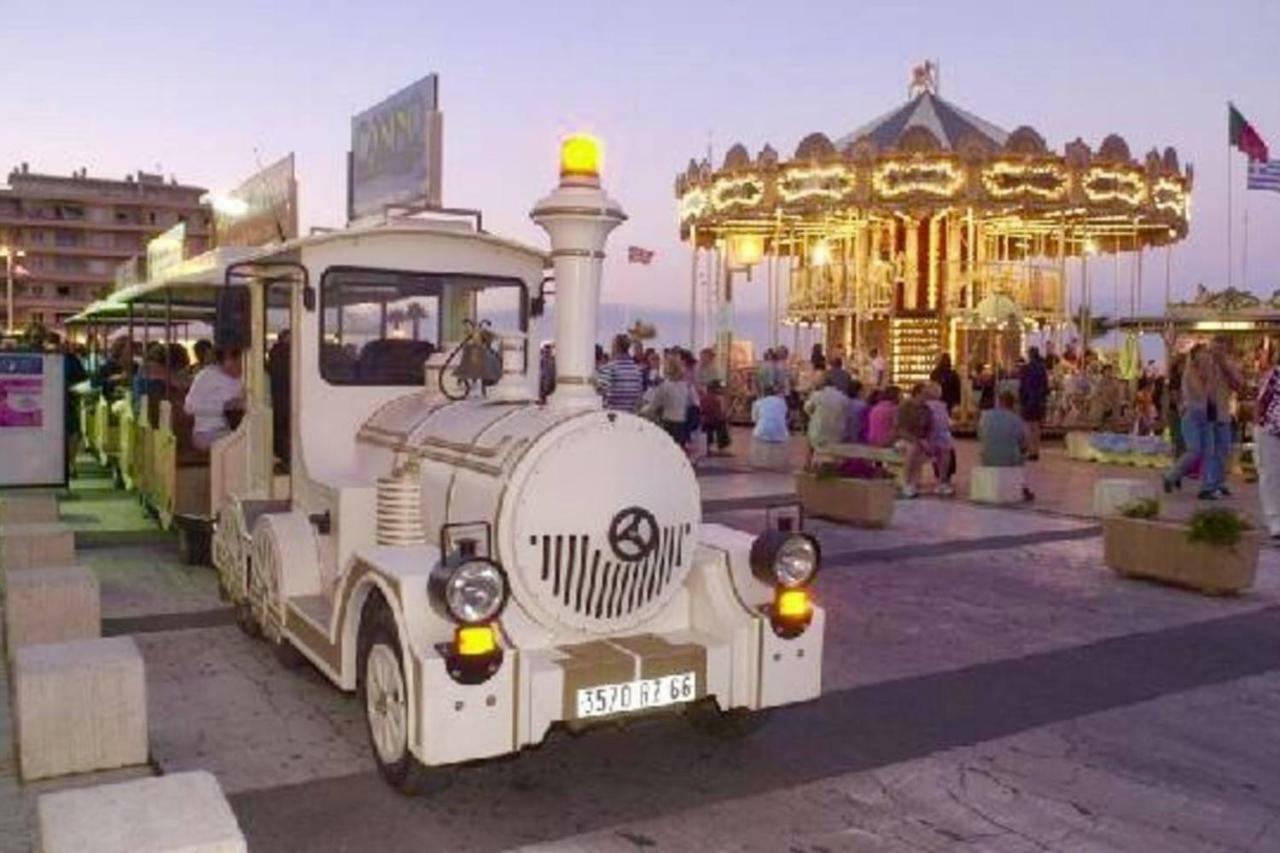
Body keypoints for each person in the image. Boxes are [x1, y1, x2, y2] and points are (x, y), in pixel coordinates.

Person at [1164, 344, 1214, 498]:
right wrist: (1208, 378)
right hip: (1191, 415)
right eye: (1203, 353)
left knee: (1209, 452)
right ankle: (1170, 476)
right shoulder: (1190, 372)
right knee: (1194, 450)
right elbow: (1200, 392)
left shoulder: (1206, 371)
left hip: (1204, 415)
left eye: (1207, 352)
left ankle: (1207, 488)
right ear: (1196, 355)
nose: (1206, 355)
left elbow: (1210, 396)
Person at [184, 346, 245, 451]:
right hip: (208, 432)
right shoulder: (206, 376)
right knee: (244, 444)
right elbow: (189, 406)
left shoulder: (247, 377)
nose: (239, 366)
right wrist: (224, 406)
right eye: (236, 361)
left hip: (237, 430)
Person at [978, 389, 1034, 501]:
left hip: (987, 458)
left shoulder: (985, 416)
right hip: (1010, 460)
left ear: (998, 401)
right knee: (1022, 454)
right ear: (1013, 404)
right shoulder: (1016, 420)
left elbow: (980, 436)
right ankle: (1021, 486)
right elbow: (1024, 444)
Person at [1208, 336, 1244, 498]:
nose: (1216, 353)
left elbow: (1238, 385)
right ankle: (1211, 485)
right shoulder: (1204, 365)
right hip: (1207, 411)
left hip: (1223, 411)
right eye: (1214, 349)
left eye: (1220, 349)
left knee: (1224, 449)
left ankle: (1220, 482)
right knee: (1213, 450)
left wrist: (1225, 367)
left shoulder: (1230, 365)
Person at [1255, 350, 1280, 538]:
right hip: (1270, 429)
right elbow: (1260, 402)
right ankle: (1275, 522)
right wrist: (1260, 427)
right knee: (1271, 475)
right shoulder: (1275, 374)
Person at [643, 356, 693, 448]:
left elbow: (653, 406)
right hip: (682, 424)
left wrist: (642, 410)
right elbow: (690, 403)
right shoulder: (685, 385)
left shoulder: (665, 386)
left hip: (668, 424)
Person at [895, 383, 933, 498]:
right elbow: (900, 428)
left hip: (918, 439)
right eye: (925, 394)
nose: (927, 396)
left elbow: (929, 428)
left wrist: (925, 440)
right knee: (912, 449)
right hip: (903, 438)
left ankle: (913, 484)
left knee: (920, 451)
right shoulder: (905, 407)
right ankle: (906, 482)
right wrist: (916, 440)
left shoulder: (926, 409)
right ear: (918, 393)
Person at [804, 374, 848, 463]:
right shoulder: (843, 397)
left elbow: (807, 409)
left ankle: (808, 463)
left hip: (817, 432)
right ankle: (836, 464)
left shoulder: (817, 395)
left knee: (811, 438)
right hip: (837, 433)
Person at [596, 334, 645, 413]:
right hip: (630, 417)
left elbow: (599, 393)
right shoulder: (637, 371)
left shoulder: (609, 369)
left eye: (612, 346)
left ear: (616, 348)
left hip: (612, 418)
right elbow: (639, 398)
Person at [924, 381, 955, 495]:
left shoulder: (924, 405)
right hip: (940, 437)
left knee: (941, 452)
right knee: (946, 453)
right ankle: (942, 481)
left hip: (928, 437)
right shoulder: (942, 406)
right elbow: (945, 423)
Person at [1019, 346, 1049, 461]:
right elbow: (1045, 386)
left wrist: (1022, 399)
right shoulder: (1042, 368)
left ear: (1030, 355)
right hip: (1039, 400)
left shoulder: (1026, 368)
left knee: (1027, 425)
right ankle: (1036, 450)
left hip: (1028, 399)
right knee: (1036, 426)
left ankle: (1030, 450)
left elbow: (1023, 386)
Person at [750, 384, 790, 470]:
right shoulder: (782, 402)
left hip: (762, 431)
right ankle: (780, 463)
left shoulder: (758, 402)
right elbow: (785, 415)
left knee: (757, 433)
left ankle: (758, 462)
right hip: (781, 431)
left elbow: (754, 419)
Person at [267, 329, 292, 466]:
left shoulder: (274, 353)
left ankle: (282, 458)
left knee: (280, 430)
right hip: (289, 398)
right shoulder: (288, 353)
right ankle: (288, 460)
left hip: (277, 397)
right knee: (287, 431)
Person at [700, 379, 731, 456]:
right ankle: (722, 447)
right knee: (722, 425)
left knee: (711, 428)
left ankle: (708, 448)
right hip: (713, 420)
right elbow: (718, 413)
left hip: (704, 420)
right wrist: (725, 418)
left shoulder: (703, 398)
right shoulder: (716, 399)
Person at [843, 379, 869, 443]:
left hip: (842, 435)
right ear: (859, 391)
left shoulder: (843, 402)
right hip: (857, 436)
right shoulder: (862, 405)